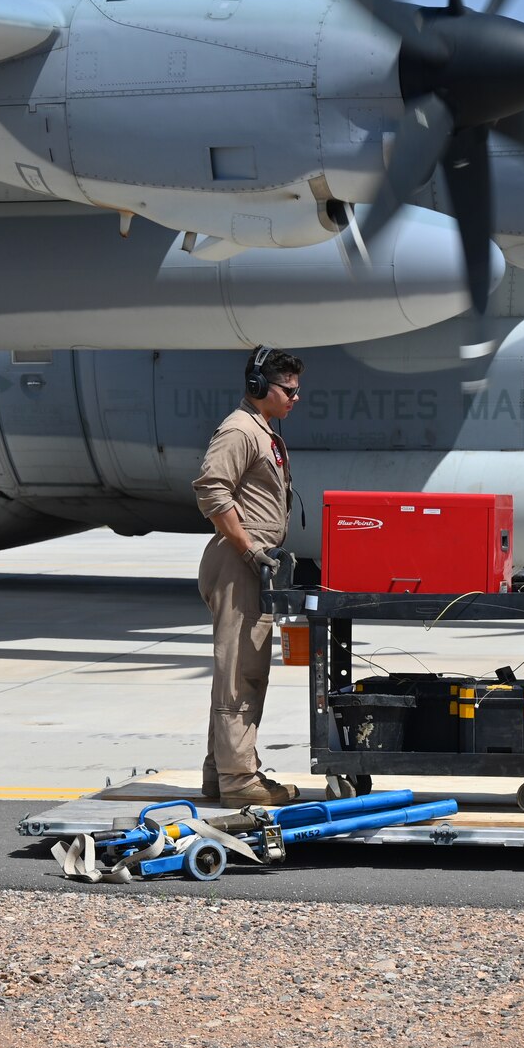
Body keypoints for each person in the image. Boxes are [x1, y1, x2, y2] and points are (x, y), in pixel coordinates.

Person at [190, 346, 303, 809]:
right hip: (239, 561)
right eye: (289, 390)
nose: (296, 398)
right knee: (241, 673)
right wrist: (248, 547)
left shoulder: (262, 431)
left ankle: (222, 774)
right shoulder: (240, 430)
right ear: (260, 387)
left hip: (251, 560)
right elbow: (211, 489)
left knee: (239, 670)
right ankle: (239, 780)